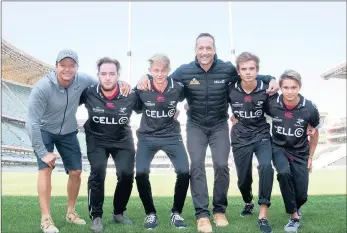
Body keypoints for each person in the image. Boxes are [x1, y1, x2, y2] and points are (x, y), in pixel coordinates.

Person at [137, 33, 279, 233]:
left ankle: (219, 210)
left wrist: (271, 79)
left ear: (214, 49)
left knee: (221, 165)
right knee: (196, 166)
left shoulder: (227, 69)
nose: (204, 52)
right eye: (200, 48)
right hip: (195, 126)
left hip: (219, 125)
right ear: (195, 50)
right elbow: (163, 79)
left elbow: (249, 75)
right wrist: (145, 77)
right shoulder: (184, 71)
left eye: (208, 48)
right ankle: (202, 215)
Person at [26, 50, 130, 233]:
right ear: (56, 66)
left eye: (71, 65)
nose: (67, 69)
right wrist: (42, 152)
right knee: (45, 169)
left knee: (76, 171)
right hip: (44, 130)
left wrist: (120, 83)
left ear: (77, 67)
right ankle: (46, 218)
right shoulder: (42, 87)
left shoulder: (83, 80)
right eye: (63, 65)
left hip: (68, 131)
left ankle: (71, 212)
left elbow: (105, 83)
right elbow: (31, 122)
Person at [79, 57, 137, 233]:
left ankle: (118, 212)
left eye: (112, 73)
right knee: (98, 172)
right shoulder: (88, 92)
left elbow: (150, 105)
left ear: (118, 75)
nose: (108, 77)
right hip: (97, 139)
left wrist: (174, 112)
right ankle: (96, 216)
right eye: (103, 73)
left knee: (126, 175)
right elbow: (68, 99)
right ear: (98, 75)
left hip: (122, 139)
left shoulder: (130, 94)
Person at [134, 54, 190, 230]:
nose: (159, 74)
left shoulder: (178, 88)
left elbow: (193, 96)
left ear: (169, 70)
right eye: (155, 70)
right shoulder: (143, 87)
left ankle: (176, 213)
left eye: (163, 70)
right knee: (141, 173)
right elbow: (133, 106)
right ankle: (150, 214)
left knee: (184, 171)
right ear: (150, 71)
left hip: (171, 136)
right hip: (147, 136)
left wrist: (187, 107)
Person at [266, 70, 320, 232]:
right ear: (280, 88)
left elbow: (315, 134)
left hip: (300, 151)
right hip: (278, 147)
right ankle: (293, 216)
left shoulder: (309, 108)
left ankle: (297, 206)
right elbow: (255, 109)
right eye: (286, 87)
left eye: (293, 87)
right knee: (283, 173)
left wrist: (310, 157)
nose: (289, 91)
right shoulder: (272, 102)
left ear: (300, 87)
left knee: (302, 194)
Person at [228, 52, 275, 233]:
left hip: (261, 134)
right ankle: (248, 201)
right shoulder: (230, 88)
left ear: (257, 70)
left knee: (265, 166)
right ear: (238, 72)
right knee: (243, 179)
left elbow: (277, 109)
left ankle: (263, 212)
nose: (248, 72)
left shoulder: (267, 89)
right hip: (240, 137)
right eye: (244, 69)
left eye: (252, 68)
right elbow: (215, 104)